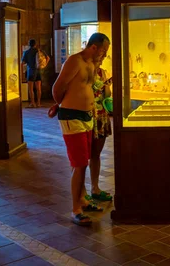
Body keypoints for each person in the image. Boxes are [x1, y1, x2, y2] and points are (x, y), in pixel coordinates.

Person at [52, 33, 110, 226]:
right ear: (93, 47)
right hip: (72, 117)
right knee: (79, 163)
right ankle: (75, 208)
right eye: (103, 51)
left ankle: (83, 199)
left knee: (84, 159)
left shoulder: (92, 65)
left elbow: (91, 88)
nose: (104, 55)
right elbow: (57, 87)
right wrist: (61, 104)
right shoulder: (74, 61)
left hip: (88, 117)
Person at [80, 53, 113, 206]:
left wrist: (107, 86)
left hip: (101, 116)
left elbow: (107, 95)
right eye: (98, 58)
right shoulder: (83, 72)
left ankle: (95, 187)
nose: (100, 61)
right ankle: (81, 191)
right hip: (86, 116)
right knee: (82, 156)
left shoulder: (103, 72)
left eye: (102, 59)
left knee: (96, 154)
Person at [22, 39, 49, 108]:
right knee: (38, 88)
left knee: (31, 89)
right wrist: (44, 65)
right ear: (35, 44)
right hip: (38, 71)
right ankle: (39, 103)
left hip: (30, 71)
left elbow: (23, 62)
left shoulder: (26, 52)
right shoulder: (39, 51)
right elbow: (48, 58)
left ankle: (33, 103)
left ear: (29, 44)